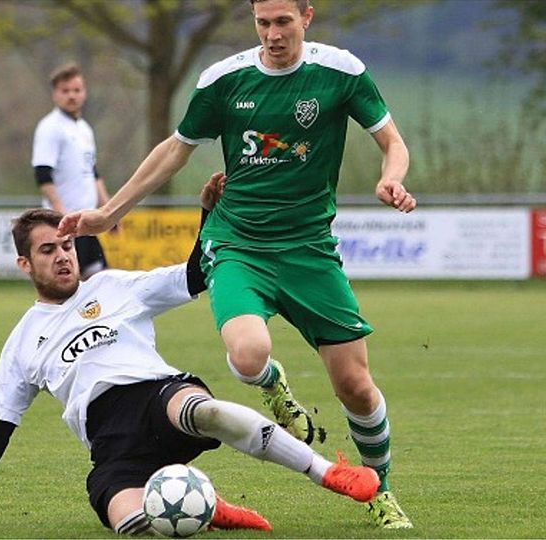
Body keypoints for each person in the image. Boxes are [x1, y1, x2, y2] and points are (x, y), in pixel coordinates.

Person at [56, 0, 415, 529]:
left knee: (356, 386)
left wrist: (393, 177)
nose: (272, 34)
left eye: (283, 22)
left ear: (306, 17)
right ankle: (273, 385)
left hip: (309, 249)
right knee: (248, 356)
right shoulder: (224, 80)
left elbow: (392, 141)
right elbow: (174, 151)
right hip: (238, 244)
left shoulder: (341, 72)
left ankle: (380, 490)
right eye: (262, 23)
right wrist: (108, 213)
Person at [0, 174, 382, 535]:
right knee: (133, 523)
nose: (64, 256)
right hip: (110, 445)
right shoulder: (24, 339)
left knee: (204, 410)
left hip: (156, 398)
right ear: (25, 264)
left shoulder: (114, 286)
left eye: (67, 245)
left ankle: (328, 472)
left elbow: (195, 276)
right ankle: (209, 508)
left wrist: (207, 215)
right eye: (48, 250)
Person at [32, 62, 112, 279]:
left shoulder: (84, 129)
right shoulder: (50, 127)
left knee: (99, 283)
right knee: (71, 287)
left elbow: (92, 171)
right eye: (65, 91)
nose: (72, 96)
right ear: (55, 95)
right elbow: (42, 174)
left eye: (76, 90)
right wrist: (61, 214)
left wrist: (108, 209)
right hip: (65, 223)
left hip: (85, 221)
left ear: (84, 93)